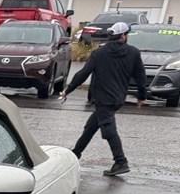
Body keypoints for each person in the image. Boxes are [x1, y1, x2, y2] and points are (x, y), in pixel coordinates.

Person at [59, 21, 147, 177]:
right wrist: (141, 96)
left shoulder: (99, 53)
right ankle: (75, 154)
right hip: (118, 97)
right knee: (91, 127)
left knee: (108, 129)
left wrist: (68, 90)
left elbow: (83, 73)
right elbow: (140, 76)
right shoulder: (133, 53)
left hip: (102, 98)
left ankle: (121, 162)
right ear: (124, 36)